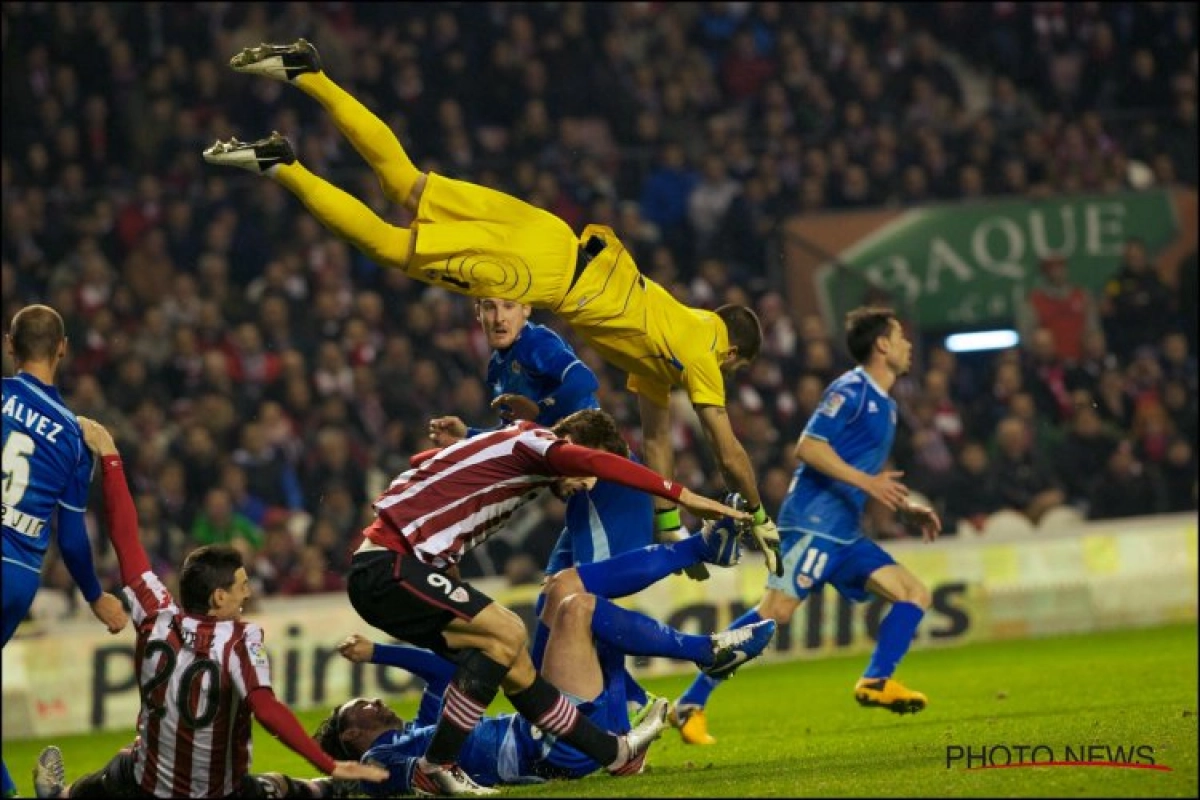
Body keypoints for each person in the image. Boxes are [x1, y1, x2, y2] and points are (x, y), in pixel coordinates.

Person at [202, 39, 782, 576]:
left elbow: (657, 445)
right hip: (544, 275)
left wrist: (670, 529)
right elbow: (728, 453)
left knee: (405, 183)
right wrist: (758, 517)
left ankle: (309, 74)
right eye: (733, 370)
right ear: (732, 351)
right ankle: (284, 165)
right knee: (387, 243)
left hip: (552, 234)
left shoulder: (666, 342)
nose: (723, 379)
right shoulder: (703, 350)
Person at [343, 408, 747, 794]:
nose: (584, 485)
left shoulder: (520, 448)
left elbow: (444, 463)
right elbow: (595, 461)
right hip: (388, 564)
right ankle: (437, 766)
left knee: (515, 664)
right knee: (509, 630)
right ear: (569, 446)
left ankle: (614, 754)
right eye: (584, 474)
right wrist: (685, 497)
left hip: (406, 567)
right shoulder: (539, 443)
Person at [32, 418, 388, 799]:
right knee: (280, 787)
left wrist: (111, 459)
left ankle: (63, 795)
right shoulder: (239, 639)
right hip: (216, 793)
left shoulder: (155, 614)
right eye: (242, 586)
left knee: (124, 764)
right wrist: (328, 762)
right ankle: (332, 787)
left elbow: (124, 538)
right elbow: (266, 710)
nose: (247, 595)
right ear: (219, 597)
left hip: (146, 785)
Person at [314, 513, 775, 794]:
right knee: (578, 609)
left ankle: (701, 559)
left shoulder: (429, 731)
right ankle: (705, 650)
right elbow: (353, 783)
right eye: (362, 708)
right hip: (555, 749)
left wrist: (379, 653)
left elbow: (440, 670)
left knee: (562, 587)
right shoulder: (381, 760)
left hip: (547, 722)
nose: (375, 703)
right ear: (351, 734)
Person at [670, 307, 943, 745]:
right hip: (813, 525)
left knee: (914, 593)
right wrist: (867, 483)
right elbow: (808, 447)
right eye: (901, 336)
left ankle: (875, 681)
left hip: (846, 533)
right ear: (882, 345)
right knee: (772, 615)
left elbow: (862, 471)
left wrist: (902, 507)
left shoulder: (887, 405)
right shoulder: (850, 389)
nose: (909, 344)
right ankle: (691, 703)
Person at [3, 304, 128, 799]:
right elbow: (72, 535)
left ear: (10, 346)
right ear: (62, 348)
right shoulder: (76, 437)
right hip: (17, 577)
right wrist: (96, 595)